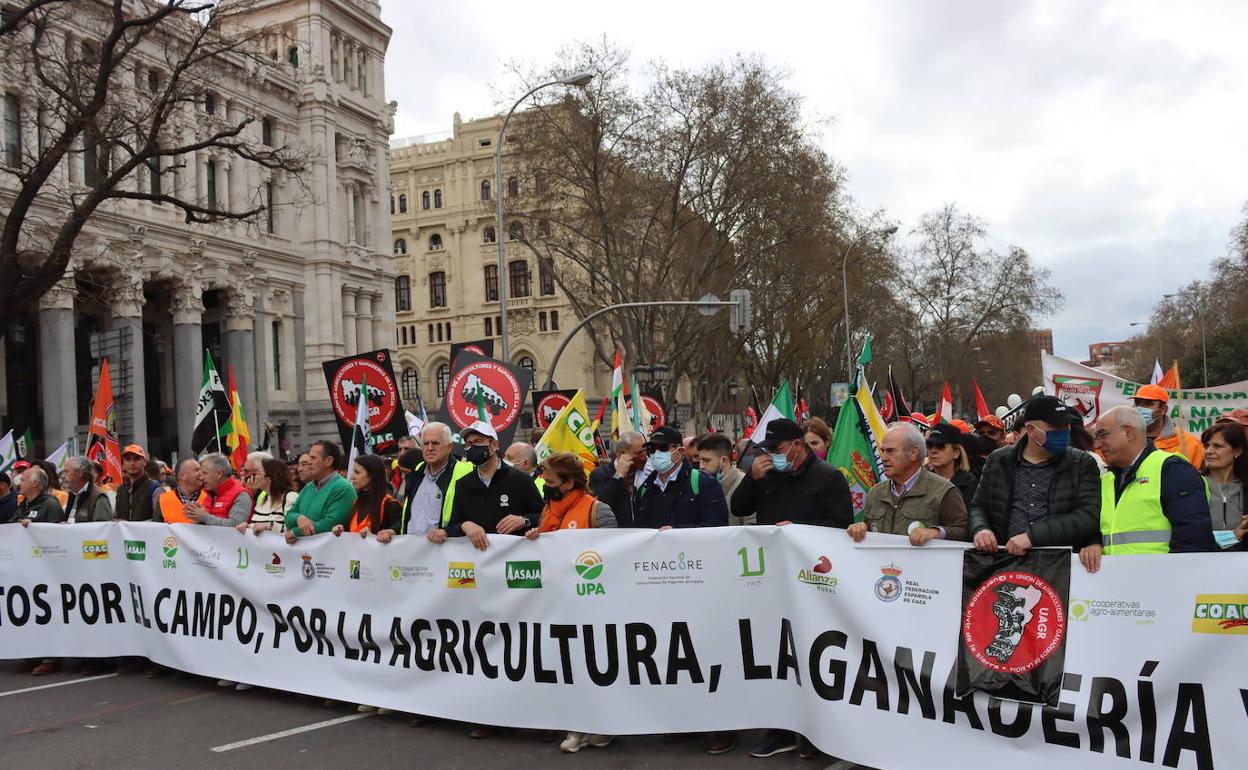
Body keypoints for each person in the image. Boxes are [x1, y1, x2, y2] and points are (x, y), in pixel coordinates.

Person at [522, 451, 617, 752]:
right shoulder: (548, 509)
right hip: (555, 603)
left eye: (549, 479)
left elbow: (615, 557)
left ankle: (594, 725)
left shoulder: (598, 511)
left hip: (590, 604)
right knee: (565, 666)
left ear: (568, 482)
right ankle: (576, 723)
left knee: (592, 665)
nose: (544, 484)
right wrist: (536, 537)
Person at [1081, 406, 1218, 571]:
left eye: (1102, 434)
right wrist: (1092, 542)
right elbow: (1098, 527)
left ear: (1128, 432)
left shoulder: (1171, 469)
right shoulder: (1107, 479)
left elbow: (1194, 539)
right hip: (1117, 585)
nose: (1097, 444)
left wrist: (1175, 581)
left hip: (1161, 584)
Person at [969, 396, 1101, 557]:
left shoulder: (1082, 463)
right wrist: (980, 529)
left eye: (1066, 425)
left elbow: (1087, 517)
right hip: (1004, 562)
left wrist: (1033, 537)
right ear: (1031, 430)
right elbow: (978, 507)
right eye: (1055, 426)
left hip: (1058, 564)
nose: (1064, 431)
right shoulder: (998, 460)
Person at [428, 420, 543, 554]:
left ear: (494, 445)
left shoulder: (520, 479)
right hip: (479, 561)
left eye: (478, 441)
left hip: (514, 559)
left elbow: (542, 515)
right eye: (468, 444)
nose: (472, 447)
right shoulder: (464, 484)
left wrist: (524, 520)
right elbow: (453, 525)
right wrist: (465, 525)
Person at [848, 423, 968, 545]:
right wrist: (860, 529)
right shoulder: (875, 493)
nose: (883, 457)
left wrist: (936, 533)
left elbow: (962, 531)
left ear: (913, 453)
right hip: (882, 563)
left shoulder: (943, 491)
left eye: (891, 451)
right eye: (883, 451)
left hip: (923, 563)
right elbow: (869, 531)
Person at [731, 419, 853, 529]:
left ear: (797, 445)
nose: (772, 455)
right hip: (771, 550)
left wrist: (797, 528)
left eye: (777, 449)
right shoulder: (766, 474)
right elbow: (738, 509)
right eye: (769, 450)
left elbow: (841, 523)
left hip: (809, 551)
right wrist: (751, 479)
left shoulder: (830, 476)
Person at [377, 422, 474, 543]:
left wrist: (447, 532)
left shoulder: (466, 473)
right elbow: (412, 519)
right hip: (411, 554)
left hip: (444, 556)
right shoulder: (416, 473)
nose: (429, 448)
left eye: (435, 443)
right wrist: (393, 531)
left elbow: (473, 520)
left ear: (449, 447)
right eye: (426, 443)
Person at [632, 426, 728, 530]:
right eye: (652, 449)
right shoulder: (644, 490)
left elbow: (718, 527)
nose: (656, 454)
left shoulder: (704, 483)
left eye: (663, 448)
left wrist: (677, 532)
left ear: (681, 451)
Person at [283, 441, 357, 540]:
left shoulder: (343, 488)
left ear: (329, 461)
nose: (309, 462)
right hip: (305, 552)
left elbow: (329, 525)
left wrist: (294, 532)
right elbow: (288, 516)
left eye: (313, 458)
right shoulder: (308, 487)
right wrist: (299, 518)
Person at [1132, 383, 1204, 467]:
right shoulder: (1125, 440)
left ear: (1163, 410)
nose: (1140, 408)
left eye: (1148, 404)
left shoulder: (1189, 443)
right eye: (1137, 403)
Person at [1200, 421, 1247, 550]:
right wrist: (1231, 537)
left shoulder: (1245, 487)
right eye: (1206, 446)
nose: (1209, 451)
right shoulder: (1193, 486)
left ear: (1237, 450)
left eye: (1217, 446)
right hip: (1202, 563)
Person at [588, 430, 647, 528]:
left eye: (645, 450)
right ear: (622, 454)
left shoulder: (647, 473)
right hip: (614, 535)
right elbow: (601, 505)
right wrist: (618, 476)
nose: (644, 456)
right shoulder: (600, 474)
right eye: (639, 453)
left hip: (641, 536)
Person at [333, 454, 401, 536]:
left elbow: (402, 532)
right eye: (353, 471)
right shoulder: (356, 502)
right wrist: (341, 530)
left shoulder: (389, 504)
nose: (352, 477)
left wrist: (389, 532)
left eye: (357, 472)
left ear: (372, 475)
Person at [695, 433, 752, 524]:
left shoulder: (745, 485)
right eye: (699, 460)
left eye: (706, 460)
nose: (701, 466)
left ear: (724, 461)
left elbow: (752, 529)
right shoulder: (702, 485)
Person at [189, 453, 252, 527]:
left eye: (205, 473)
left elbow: (236, 525)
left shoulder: (241, 495)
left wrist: (205, 517)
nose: (201, 478)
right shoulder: (206, 493)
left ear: (219, 474)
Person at [925, 423, 979, 507]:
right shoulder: (921, 482)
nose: (933, 451)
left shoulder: (970, 485)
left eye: (940, 446)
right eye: (929, 445)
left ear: (956, 453)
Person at [243, 457, 298, 533]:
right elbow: (257, 526)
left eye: (258, 473)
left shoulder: (290, 497)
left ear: (270, 478)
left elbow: (295, 529)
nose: (255, 477)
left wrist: (269, 526)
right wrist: (247, 526)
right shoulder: (263, 499)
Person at [114, 444, 160, 521]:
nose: (132, 463)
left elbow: (159, 520)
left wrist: (130, 526)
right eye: (128, 459)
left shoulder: (154, 488)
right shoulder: (121, 490)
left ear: (144, 462)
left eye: (137, 459)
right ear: (123, 464)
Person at [62, 456, 113, 522]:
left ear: (80, 473)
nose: (63, 476)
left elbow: (102, 529)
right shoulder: (73, 495)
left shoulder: (99, 497)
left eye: (66, 472)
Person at [156, 458, 206, 524]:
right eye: (197, 470)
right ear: (183, 476)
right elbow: (157, 529)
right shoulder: (163, 500)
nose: (201, 473)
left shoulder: (211, 497)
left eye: (201, 470)